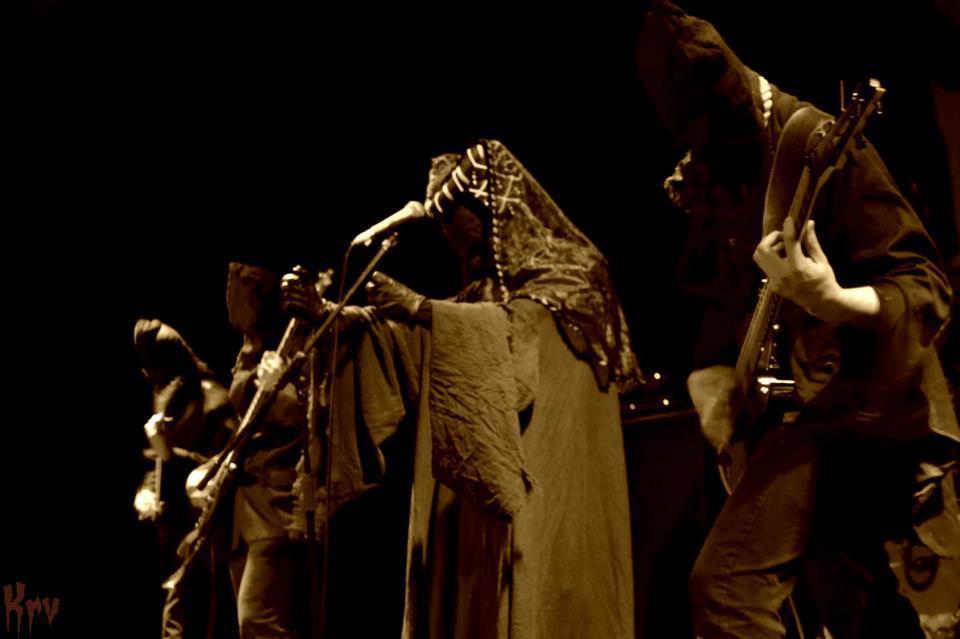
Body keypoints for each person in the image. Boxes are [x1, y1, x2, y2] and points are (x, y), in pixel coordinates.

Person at [636, 2, 960, 638]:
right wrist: (711, 384)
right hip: (790, 412)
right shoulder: (720, 170)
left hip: (857, 408)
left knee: (725, 589)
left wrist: (832, 300)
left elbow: (926, 287)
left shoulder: (815, 144)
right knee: (854, 599)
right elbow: (716, 304)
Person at [281, 138, 642, 639]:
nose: (463, 256)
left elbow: (517, 347)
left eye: (472, 244)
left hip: (549, 480)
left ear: (499, 215)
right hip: (481, 502)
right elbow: (425, 340)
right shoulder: (484, 293)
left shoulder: (575, 279)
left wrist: (422, 309)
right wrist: (330, 317)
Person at [224, 260, 313, 639]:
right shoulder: (251, 350)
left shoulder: (300, 340)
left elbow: (311, 414)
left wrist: (280, 387)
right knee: (252, 625)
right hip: (244, 506)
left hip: (278, 504)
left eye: (244, 283)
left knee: (258, 621)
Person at [132, 318, 236, 639]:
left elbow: (219, 468)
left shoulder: (214, 401)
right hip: (173, 532)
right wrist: (147, 490)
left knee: (187, 620)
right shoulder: (169, 398)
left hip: (206, 535)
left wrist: (167, 454)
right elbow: (158, 462)